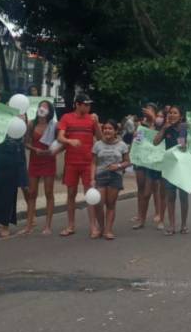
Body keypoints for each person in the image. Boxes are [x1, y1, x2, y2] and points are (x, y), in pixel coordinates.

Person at [56, 94, 102, 237]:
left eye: (89, 104)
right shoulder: (66, 118)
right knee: (71, 194)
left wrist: (97, 123)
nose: (88, 107)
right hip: (71, 162)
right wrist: (70, 141)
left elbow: (100, 139)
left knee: (90, 195)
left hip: (88, 163)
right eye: (86, 104)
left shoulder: (91, 119)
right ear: (77, 104)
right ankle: (70, 225)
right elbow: (60, 137)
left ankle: (93, 227)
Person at [22, 100, 59, 235]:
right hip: (35, 161)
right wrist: (35, 149)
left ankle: (48, 226)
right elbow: (26, 143)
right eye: (40, 106)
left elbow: (60, 142)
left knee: (49, 192)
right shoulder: (31, 124)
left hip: (49, 161)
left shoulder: (54, 126)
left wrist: (53, 151)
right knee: (32, 193)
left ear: (50, 110)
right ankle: (28, 225)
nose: (41, 109)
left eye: (45, 106)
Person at [93, 119, 130, 240]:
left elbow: (127, 162)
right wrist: (92, 178)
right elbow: (93, 163)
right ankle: (101, 228)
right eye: (105, 128)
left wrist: (118, 166)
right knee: (99, 203)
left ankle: (108, 230)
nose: (107, 131)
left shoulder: (122, 145)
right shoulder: (97, 144)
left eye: (110, 128)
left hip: (115, 176)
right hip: (100, 175)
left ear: (115, 131)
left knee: (110, 204)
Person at [153, 105, 184, 236]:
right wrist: (164, 129)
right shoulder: (166, 129)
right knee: (170, 196)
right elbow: (155, 142)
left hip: (183, 167)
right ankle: (171, 225)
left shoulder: (184, 128)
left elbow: (186, 146)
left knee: (183, 197)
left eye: (175, 113)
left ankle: (184, 225)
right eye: (170, 113)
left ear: (180, 116)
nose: (171, 115)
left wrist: (184, 143)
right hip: (170, 166)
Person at [133, 103, 164, 230]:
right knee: (142, 189)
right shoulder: (141, 125)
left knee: (155, 189)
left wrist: (153, 119)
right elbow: (138, 142)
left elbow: (160, 137)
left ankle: (158, 213)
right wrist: (136, 135)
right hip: (141, 160)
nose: (147, 112)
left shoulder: (159, 124)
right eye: (146, 110)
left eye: (150, 110)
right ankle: (141, 216)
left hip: (153, 161)